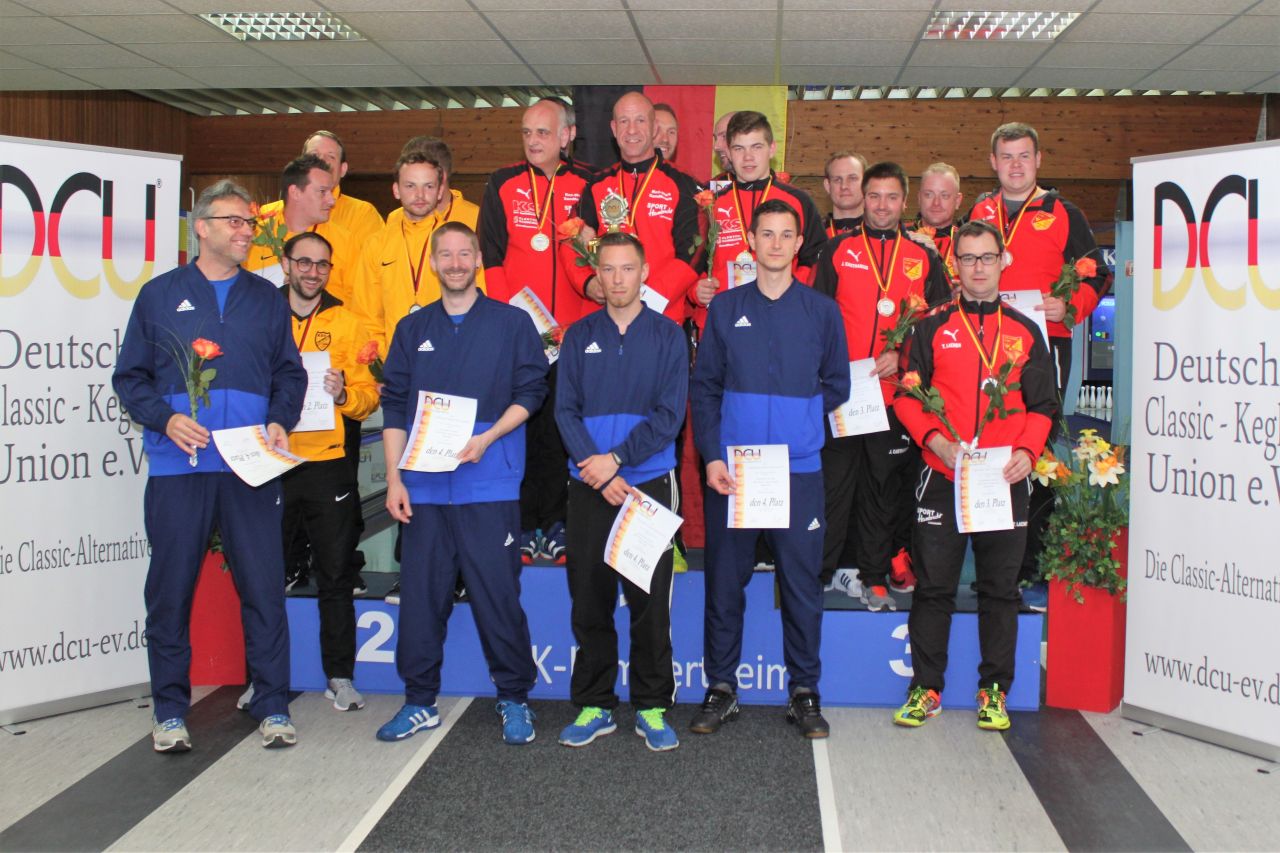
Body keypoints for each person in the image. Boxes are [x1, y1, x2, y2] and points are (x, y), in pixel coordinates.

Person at [113, 180, 307, 751]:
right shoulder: (158, 295)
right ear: (201, 228)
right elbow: (130, 378)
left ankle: (272, 704)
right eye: (234, 222)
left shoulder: (266, 298)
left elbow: (289, 373)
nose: (246, 232)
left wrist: (280, 419)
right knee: (170, 591)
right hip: (181, 467)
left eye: (249, 223)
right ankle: (170, 711)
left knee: (264, 589)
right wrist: (166, 419)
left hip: (250, 469)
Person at [376, 222, 548, 745]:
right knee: (422, 599)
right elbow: (394, 405)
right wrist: (394, 479)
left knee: (498, 595)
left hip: (488, 482)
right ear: (433, 263)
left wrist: (489, 438)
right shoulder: (412, 328)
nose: (454, 263)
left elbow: (532, 391)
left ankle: (514, 697)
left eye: (463, 253)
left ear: (477, 259)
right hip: (424, 488)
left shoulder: (512, 322)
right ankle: (419, 701)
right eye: (445, 254)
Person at [690, 199, 850, 738]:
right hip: (734, 472)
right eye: (767, 234)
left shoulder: (822, 311)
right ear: (752, 242)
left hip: (797, 471)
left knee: (801, 585)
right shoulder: (725, 308)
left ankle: (804, 692)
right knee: (724, 584)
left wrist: (797, 423)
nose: (776, 243)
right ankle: (721, 687)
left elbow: (838, 384)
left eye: (786, 234)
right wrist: (714, 455)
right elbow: (705, 388)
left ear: (799, 244)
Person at [892, 219, 1056, 731]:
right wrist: (934, 440)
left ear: (1003, 261)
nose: (978, 267)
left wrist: (1028, 451)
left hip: (1003, 478)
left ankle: (994, 691)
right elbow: (906, 396)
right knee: (933, 588)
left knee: (1000, 589)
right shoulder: (930, 326)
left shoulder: (1025, 330)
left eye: (987, 257)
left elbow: (1044, 405)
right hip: (944, 473)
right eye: (968, 258)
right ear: (955, 265)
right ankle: (926, 688)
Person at [554, 232, 688, 751]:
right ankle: (595, 703)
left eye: (627, 268)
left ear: (644, 272)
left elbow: (670, 415)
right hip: (589, 482)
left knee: (648, 601)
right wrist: (600, 468)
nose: (617, 279)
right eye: (607, 269)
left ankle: (651, 705)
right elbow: (565, 410)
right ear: (597, 274)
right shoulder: (579, 336)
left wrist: (618, 461)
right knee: (589, 597)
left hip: (647, 482)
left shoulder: (669, 335)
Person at [967, 122, 1106, 611]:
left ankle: (1034, 569)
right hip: (984, 346)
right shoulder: (980, 211)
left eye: (1024, 156)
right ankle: (991, 566)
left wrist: (1069, 306)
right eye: (1006, 156)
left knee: (1037, 449)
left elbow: (1098, 272)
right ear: (993, 162)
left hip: (1044, 347)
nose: (1015, 165)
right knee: (988, 443)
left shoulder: (1063, 212)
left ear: (1039, 160)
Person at [812, 162, 951, 609]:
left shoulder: (923, 257)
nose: (882, 205)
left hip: (892, 395)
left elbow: (939, 324)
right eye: (874, 196)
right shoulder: (837, 250)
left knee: (881, 489)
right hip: (843, 392)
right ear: (863, 198)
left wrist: (903, 355)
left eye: (892, 197)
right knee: (833, 486)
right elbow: (817, 317)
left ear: (904, 202)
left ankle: (873, 575)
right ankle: (820, 573)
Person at [479, 99, 596, 567]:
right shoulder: (503, 182)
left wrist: (583, 319)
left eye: (543, 132)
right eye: (527, 132)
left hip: (574, 334)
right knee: (522, 428)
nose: (532, 141)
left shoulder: (589, 184)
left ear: (567, 136)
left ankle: (560, 522)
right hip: (521, 332)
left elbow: (596, 255)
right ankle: (525, 523)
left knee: (562, 430)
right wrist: (512, 321)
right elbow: (491, 255)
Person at [278, 232, 379, 712]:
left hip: (328, 464)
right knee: (265, 575)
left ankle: (340, 676)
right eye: (304, 262)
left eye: (321, 264)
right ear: (286, 264)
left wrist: (343, 395)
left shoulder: (348, 322)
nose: (312, 272)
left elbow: (368, 398)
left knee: (335, 574)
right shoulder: (263, 314)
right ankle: (263, 679)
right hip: (272, 461)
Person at [567, 91, 700, 328]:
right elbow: (571, 239)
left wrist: (645, 300)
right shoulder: (596, 185)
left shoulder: (683, 184)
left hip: (660, 317)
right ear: (613, 128)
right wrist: (587, 282)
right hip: (604, 318)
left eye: (640, 120)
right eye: (623, 121)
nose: (631, 130)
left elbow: (692, 253)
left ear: (654, 127)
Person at [693, 111, 825, 330]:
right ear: (729, 152)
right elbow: (695, 264)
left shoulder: (798, 200)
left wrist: (792, 287)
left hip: (782, 315)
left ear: (771, 148)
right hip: (726, 318)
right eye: (739, 148)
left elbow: (816, 258)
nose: (748, 157)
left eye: (756, 147)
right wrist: (696, 290)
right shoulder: (711, 204)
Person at [243, 154, 358, 304]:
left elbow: (356, 303)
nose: (332, 200)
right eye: (322, 192)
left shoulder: (345, 242)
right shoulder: (253, 236)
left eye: (331, 192)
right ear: (295, 192)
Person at [257, 130, 385, 248]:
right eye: (314, 155)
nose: (321, 160)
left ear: (343, 169)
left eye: (331, 156)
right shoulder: (266, 214)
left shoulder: (363, 215)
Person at [910, 162, 965, 290]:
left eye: (944, 196)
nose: (936, 203)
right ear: (919, 198)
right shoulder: (899, 237)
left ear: (957, 201)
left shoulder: (968, 243)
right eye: (928, 194)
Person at [821, 151, 868, 239]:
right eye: (837, 179)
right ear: (827, 186)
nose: (844, 186)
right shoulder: (813, 234)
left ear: (866, 184)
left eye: (852, 178)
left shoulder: (883, 232)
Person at [711, 111, 736, 180]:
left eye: (724, 136)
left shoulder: (765, 184)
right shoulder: (715, 184)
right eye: (715, 138)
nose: (716, 147)